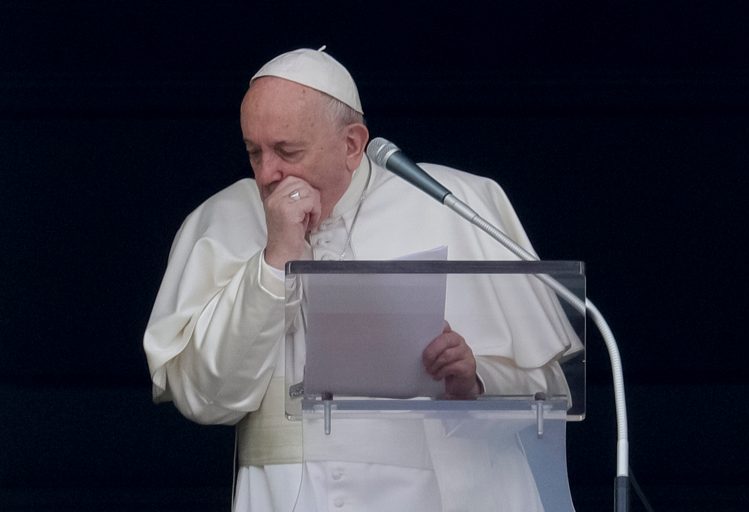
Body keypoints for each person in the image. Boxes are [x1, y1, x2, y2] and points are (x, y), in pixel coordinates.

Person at [144, 48, 580, 511]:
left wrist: (475, 383)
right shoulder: (221, 220)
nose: (268, 174)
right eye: (255, 152)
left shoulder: (453, 203)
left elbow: (546, 389)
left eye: (287, 152)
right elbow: (205, 399)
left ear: (352, 144)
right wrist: (273, 261)